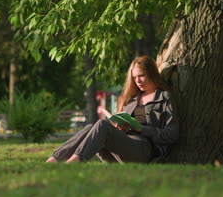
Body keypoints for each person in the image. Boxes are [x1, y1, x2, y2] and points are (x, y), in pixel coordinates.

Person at [46, 55, 179, 163]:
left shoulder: (164, 97)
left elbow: (171, 135)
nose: (138, 81)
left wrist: (142, 129)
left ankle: (75, 161)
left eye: (142, 75)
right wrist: (119, 127)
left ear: (152, 74)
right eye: (134, 77)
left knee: (102, 125)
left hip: (144, 149)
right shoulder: (131, 99)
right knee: (90, 127)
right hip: (123, 147)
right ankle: (54, 159)